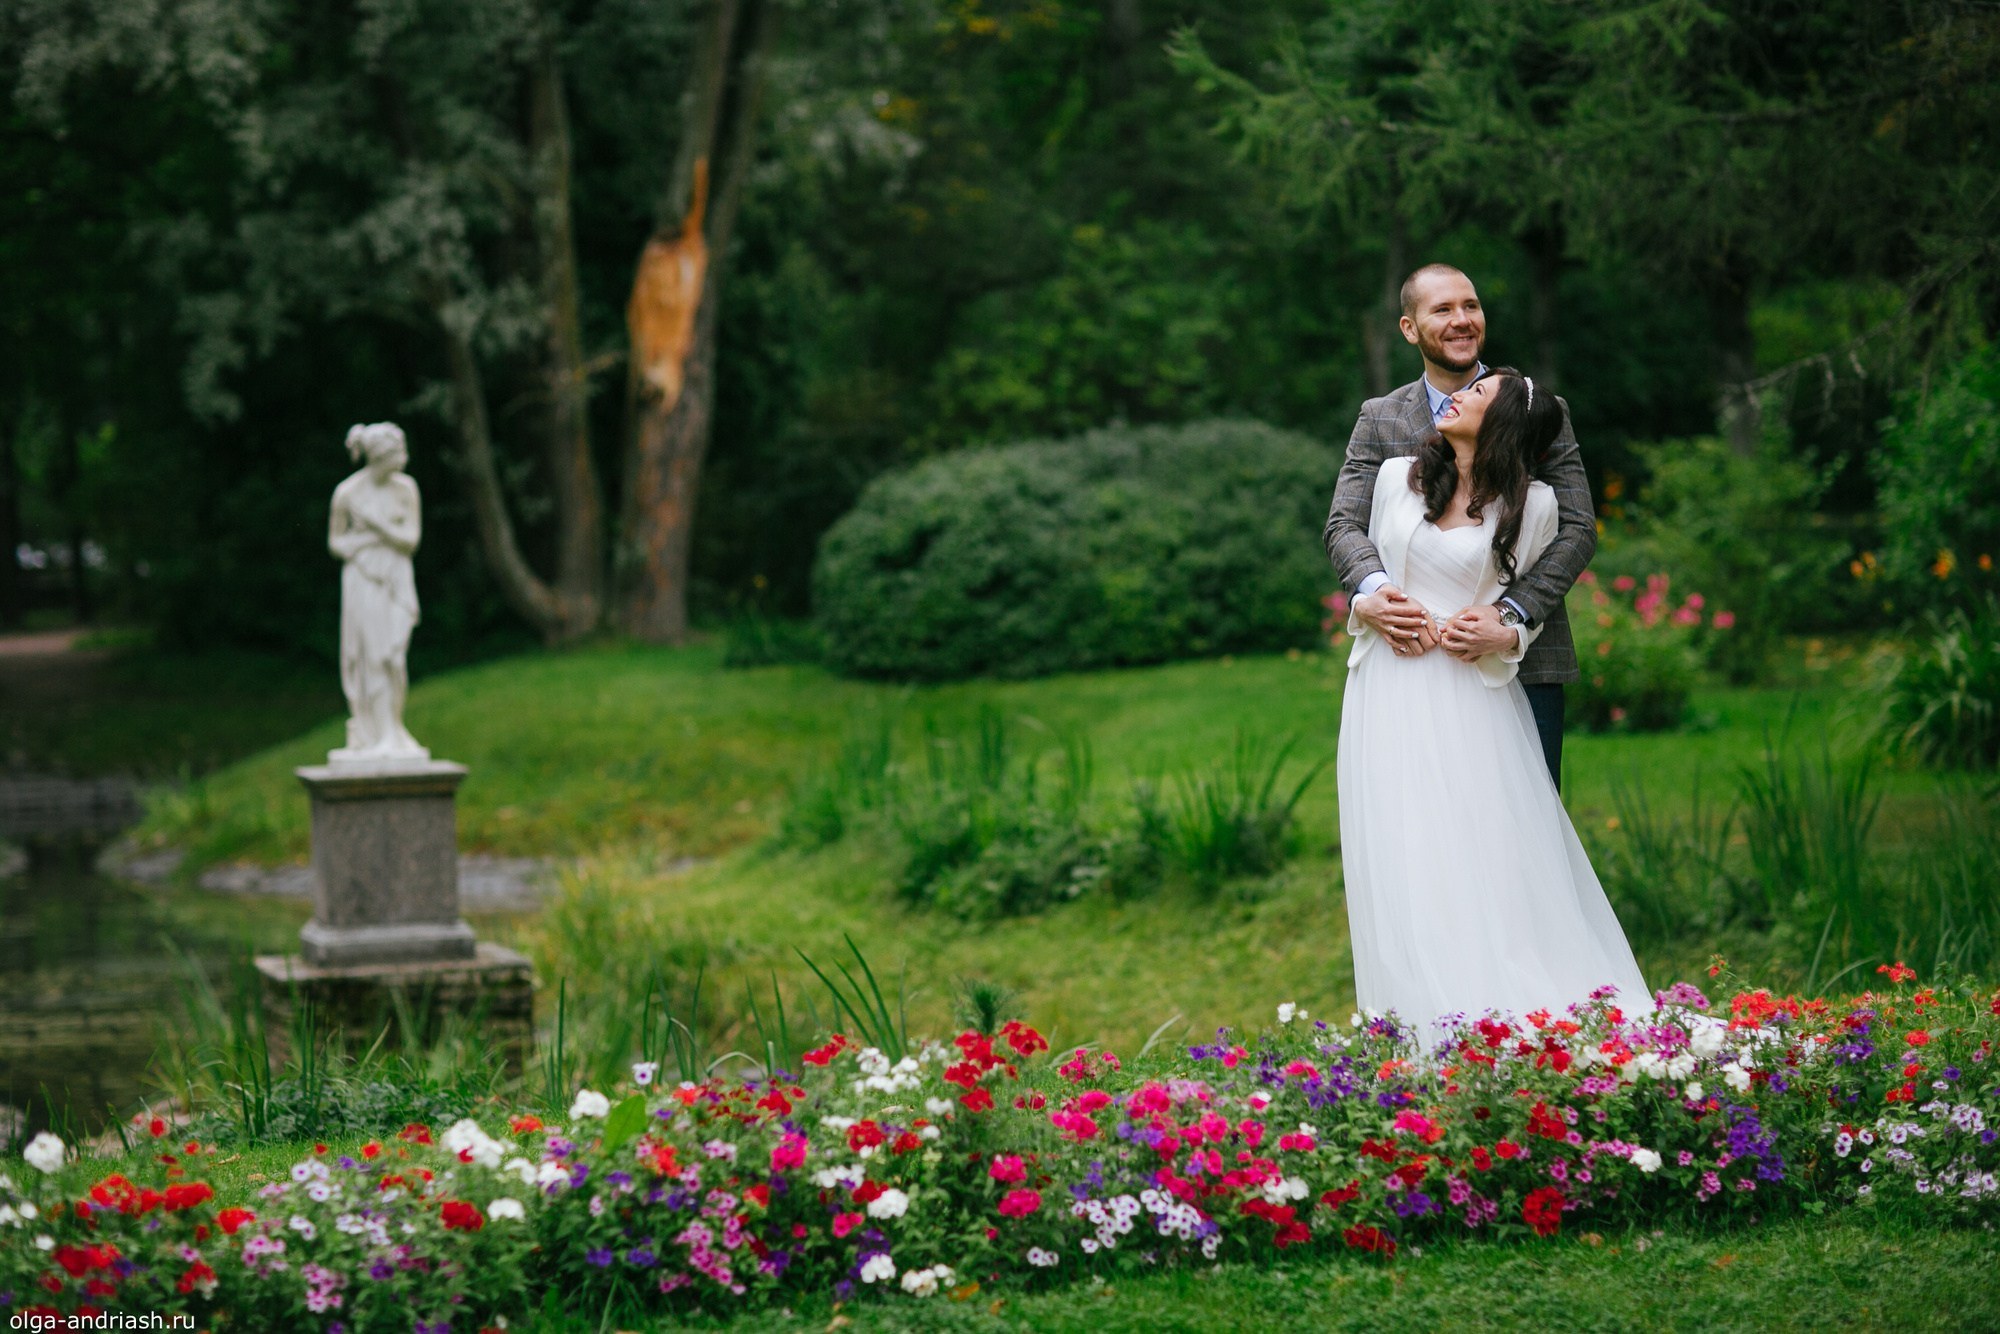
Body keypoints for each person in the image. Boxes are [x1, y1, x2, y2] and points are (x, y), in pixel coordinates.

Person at [1333, 368, 1648, 1032]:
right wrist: (1376, 602)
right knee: (1400, 853)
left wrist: (1504, 622)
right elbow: (1348, 535)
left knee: (1486, 855)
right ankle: (1413, 1023)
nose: (1456, 398)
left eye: (1475, 396)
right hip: (1388, 692)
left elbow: (1551, 563)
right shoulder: (1397, 479)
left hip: (1474, 699)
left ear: (1501, 422)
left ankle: (1499, 1022)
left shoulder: (1533, 507)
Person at [1323, 264, 1594, 787]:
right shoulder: (1380, 417)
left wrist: (1511, 616)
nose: (1461, 320)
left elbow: (1578, 527)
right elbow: (1343, 523)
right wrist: (1374, 592)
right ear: (1410, 328)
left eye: (1470, 306)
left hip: (1521, 666)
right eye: (1442, 309)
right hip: (1410, 667)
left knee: (1523, 832)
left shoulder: (1538, 410)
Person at [328, 421, 428, 763]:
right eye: (397, 453)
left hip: (396, 576)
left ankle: (394, 728)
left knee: (394, 657)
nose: (404, 458)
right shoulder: (347, 493)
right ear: (378, 457)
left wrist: (373, 524)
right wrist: (372, 539)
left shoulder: (407, 489)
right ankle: (378, 734)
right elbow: (336, 543)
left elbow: (411, 540)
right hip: (363, 577)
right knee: (373, 656)